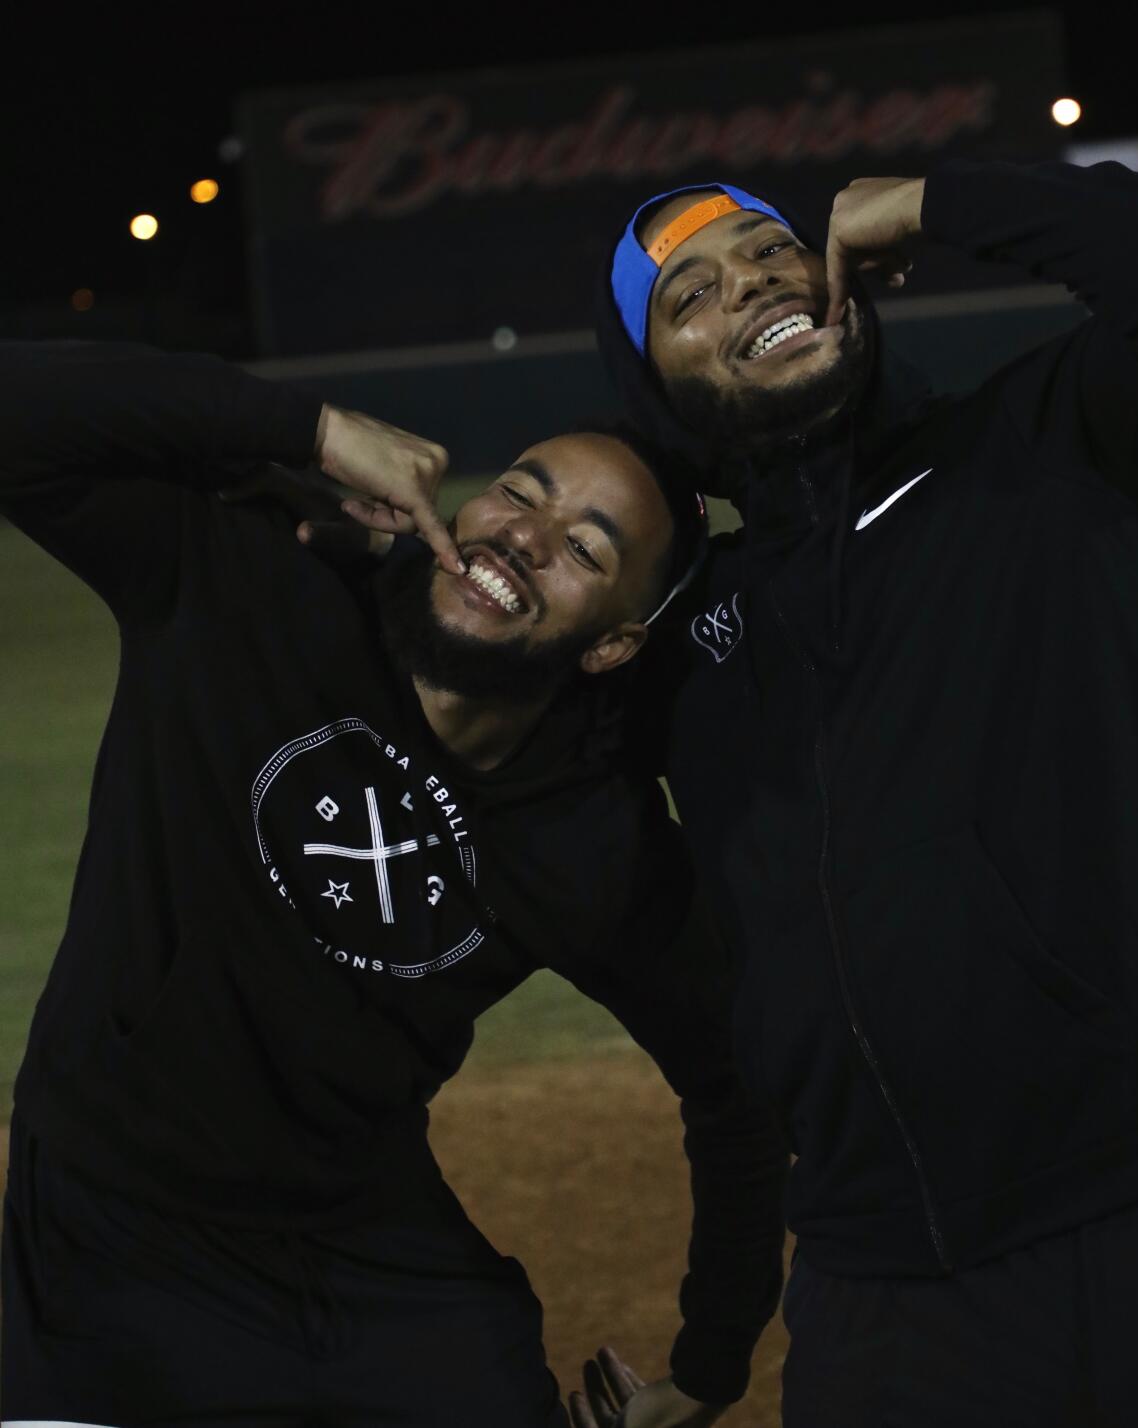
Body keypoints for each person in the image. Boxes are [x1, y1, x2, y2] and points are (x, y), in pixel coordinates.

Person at [0, 341, 788, 1427]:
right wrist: (311, 430)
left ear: (612, 648)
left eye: (583, 550)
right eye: (521, 491)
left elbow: (734, 1087)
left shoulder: (591, 839)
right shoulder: (245, 588)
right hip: (106, 1240)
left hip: (367, 1272)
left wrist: (710, 1365)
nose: (523, 537)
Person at [583, 165, 1138, 1426]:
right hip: (881, 1287)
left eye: (768, 251)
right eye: (687, 295)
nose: (746, 282)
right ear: (658, 387)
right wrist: (714, 1350)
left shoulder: (1053, 444)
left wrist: (940, 201)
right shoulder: (692, 637)